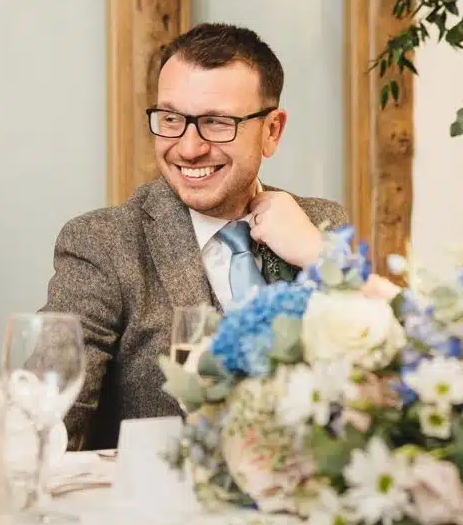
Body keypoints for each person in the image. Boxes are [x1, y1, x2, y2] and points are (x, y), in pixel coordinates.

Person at [44, 23, 347, 449]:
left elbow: (387, 386)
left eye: (216, 123)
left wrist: (318, 255)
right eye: (171, 119)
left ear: (272, 131)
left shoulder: (322, 226)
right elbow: (46, 415)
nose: (188, 148)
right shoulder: (103, 244)